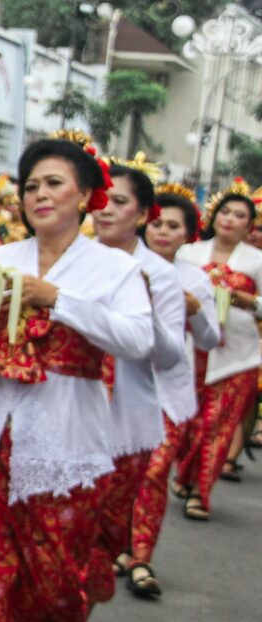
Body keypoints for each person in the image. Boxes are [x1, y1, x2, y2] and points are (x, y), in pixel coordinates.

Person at [0, 136, 153, 622]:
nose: (39, 194)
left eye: (53, 183)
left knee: (57, 575)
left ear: (86, 195)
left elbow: (138, 339)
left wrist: (57, 299)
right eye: (31, 185)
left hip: (65, 438)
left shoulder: (114, 268)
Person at [84, 159, 185, 613]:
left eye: (119, 202)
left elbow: (169, 356)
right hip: (68, 413)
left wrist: (143, 310)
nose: (105, 210)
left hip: (126, 422)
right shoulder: (71, 261)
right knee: (63, 530)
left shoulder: (160, 275)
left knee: (102, 534)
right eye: (101, 199)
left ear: (143, 214)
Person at [127, 184, 220, 596]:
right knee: (117, 477)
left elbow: (210, 340)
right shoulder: (118, 265)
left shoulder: (195, 279)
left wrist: (195, 311)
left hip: (168, 391)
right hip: (117, 388)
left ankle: (141, 558)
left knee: (153, 473)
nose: (163, 232)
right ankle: (115, 545)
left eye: (174, 226)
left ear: (188, 234)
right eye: (158, 223)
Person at [175, 179, 262, 518]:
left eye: (239, 215)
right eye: (225, 211)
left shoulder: (256, 261)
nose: (229, 219)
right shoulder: (188, 253)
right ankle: (184, 473)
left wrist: (249, 301)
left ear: (248, 225)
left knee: (219, 424)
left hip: (237, 355)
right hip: (190, 347)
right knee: (190, 422)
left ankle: (200, 492)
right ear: (214, 216)